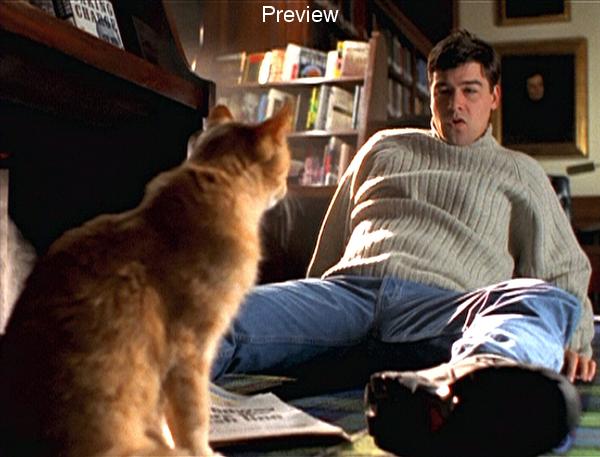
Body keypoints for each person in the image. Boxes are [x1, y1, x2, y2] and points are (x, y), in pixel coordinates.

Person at [212, 30, 596, 456]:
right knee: (215, 307)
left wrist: (576, 339)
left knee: (539, 299)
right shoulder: (382, 149)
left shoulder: (521, 172)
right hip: (347, 297)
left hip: (443, 310)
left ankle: (464, 389)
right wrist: (308, 309)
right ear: (430, 95)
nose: (455, 105)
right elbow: (331, 244)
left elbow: (563, 269)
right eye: (443, 91)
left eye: (470, 90)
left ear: (494, 96)